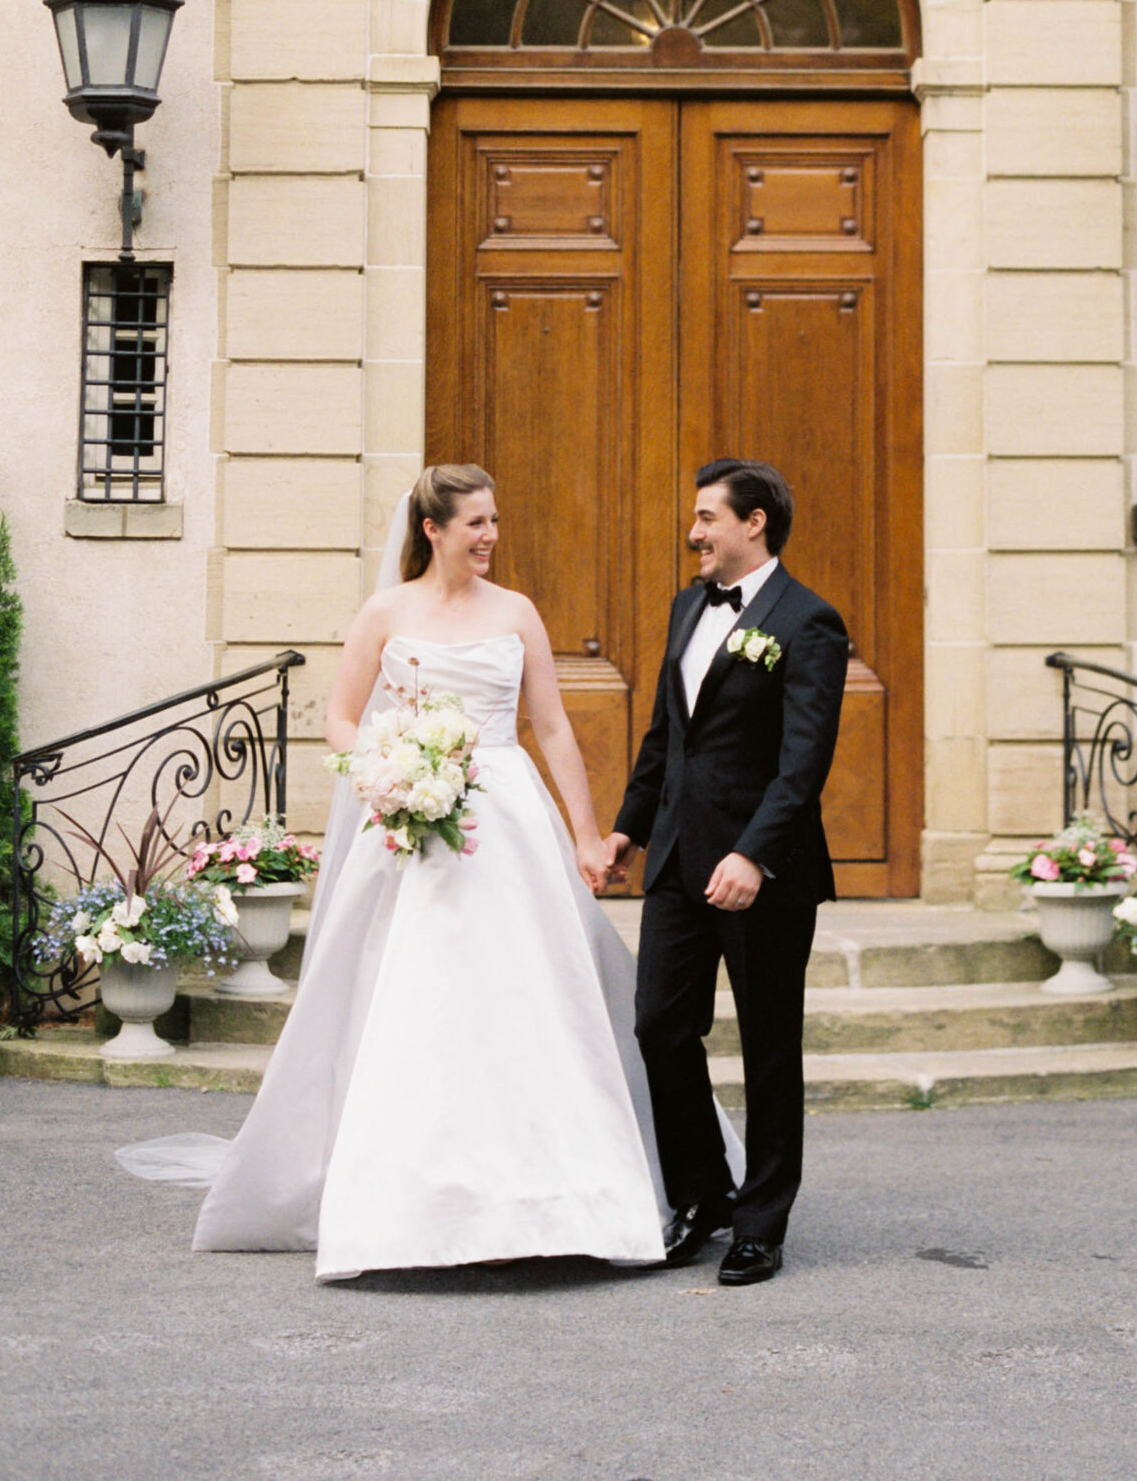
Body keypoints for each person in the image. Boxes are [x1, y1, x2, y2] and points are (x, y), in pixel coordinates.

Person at [119, 464, 677, 1280]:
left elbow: (551, 728)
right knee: (426, 999)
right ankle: (413, 1210)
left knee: (532, 993)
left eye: (493, 521)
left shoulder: (516, 613)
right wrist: (394, 768)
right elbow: (341, 722)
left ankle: (562, 1199)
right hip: (420, 827)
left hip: (509, 821)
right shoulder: (385, 613)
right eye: (475, 524)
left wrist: (588, 839)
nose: (489, 537)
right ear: (433, 530)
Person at [605, 458, 848, 1288]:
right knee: (658, 1027)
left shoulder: (809, 621)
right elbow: (664, 735)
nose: (694, 531)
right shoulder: (686, 607)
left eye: (708, 517)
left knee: (768, 1047)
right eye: (695, 517)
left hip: (763, 873)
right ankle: (703, 1193)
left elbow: (803, 761)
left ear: (755, 524)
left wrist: (754, 853)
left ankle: (761, 1222)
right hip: (676, 860)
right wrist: (627, 830)